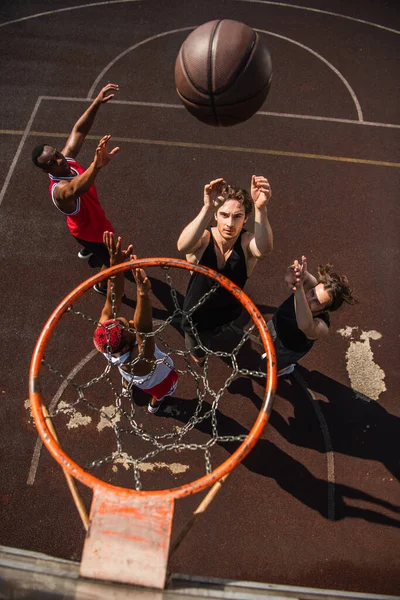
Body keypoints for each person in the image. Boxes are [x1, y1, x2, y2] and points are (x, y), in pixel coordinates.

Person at [31, 83, 120, 295]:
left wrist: (96, 104)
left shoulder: (65, 159)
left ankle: (87, 251)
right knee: (113, 262)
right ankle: (100, 285)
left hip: (87, 222)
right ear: (46, 171)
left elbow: (79, 130)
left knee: (97, 246)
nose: (60, 160)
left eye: (57, 154)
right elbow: (76, 188)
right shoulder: (59, 191)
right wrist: (96, 165)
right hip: (91, 231)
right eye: (52, 161)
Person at [177, 175, 273, 364]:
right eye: (224, 215)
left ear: (246, 218)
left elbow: (263, 250)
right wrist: (207, 208)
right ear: (216, 215)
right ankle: (200, 357)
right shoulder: (203, 239)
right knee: (198, 352)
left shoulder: (246, 244)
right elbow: (182, 246)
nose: (230, 223)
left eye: (237, 217)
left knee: (220, 334)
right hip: (196, 316)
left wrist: (261, 208)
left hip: (228, 313)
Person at [93, 232, 178, 414]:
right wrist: (142, 294)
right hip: (157, 380)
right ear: (126, 347)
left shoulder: (104, 337)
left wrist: (115, 266)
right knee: (161, 392)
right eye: (129, 326)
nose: (130, 321)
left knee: (126, 376)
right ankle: (154, 405)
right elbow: (144, 328)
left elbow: (112, 299)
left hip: (127, 372)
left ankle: (126, 385)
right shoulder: (139, 360)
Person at [261, 255, 357, 377]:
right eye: (312, 293)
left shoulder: (321, 326)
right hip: (277, 324)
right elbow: (302, 275)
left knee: (266, 369)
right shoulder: (309, 285)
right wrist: (293, 272)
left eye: (316, 302)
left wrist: (299, 289)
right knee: (263, 340)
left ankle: (285, 369)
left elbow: (304, 325)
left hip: (287, 349)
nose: (309, 299)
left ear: (325, 310)